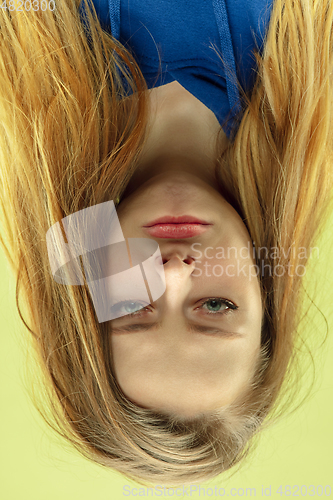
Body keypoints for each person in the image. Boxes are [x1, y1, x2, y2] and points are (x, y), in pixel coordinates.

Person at [0, 0, 332, 487]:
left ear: (84, 293)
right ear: (265, 294)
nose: (175, 272)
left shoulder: (29, 54)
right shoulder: (305, 62)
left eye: (135, 308)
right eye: (216, 306)